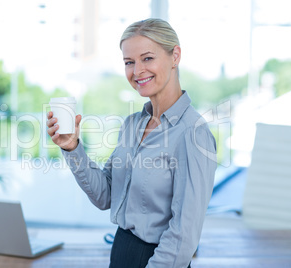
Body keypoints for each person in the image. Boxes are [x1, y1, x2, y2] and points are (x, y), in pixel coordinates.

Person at [46, 18, 217, 268]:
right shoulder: (132, 125)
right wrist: (72, 147)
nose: (137, 71)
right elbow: (105, 196)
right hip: (121, 252)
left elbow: (183, 238)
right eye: (129, 62)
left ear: (175, 56)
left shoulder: (193, 134)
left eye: (147, 58)